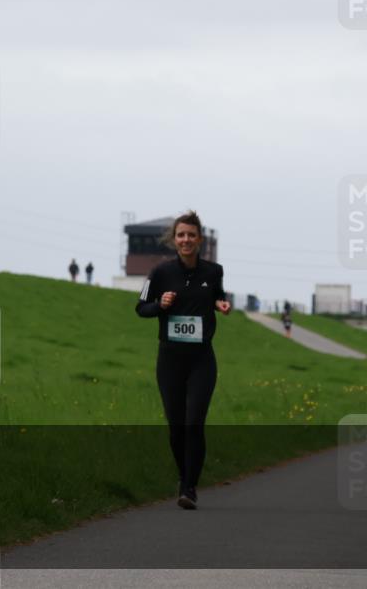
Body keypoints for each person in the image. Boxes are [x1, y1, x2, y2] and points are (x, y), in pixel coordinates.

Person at [135, 211, 231, 510]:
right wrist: (160, 306)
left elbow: (216, 294)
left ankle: (189, 488)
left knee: (194, 423)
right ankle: (183, 475)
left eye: (191, 235)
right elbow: (141, 308)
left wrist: (220, 303)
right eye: (181, 235)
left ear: (200, 239)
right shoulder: (160, 273)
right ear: (174, 240)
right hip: (170, 359)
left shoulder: (213, 271)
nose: (186, 239)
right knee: (176, 426)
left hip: (202, 359)